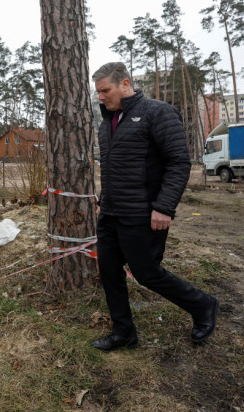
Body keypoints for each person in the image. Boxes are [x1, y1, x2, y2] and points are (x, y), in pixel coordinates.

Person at [91, 62, 218, 352]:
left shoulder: (157, 112)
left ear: (125, 84)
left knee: (147, 272)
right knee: (108, 270)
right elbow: (113, 169)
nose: (101, 97)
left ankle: (203, 305)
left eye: (105, 90)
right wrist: (104, 202)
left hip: (143, 213)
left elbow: (179, 163)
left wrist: (164, 208)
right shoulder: (106, 123)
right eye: (98, 92)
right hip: (111, 212)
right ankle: (124, 333)